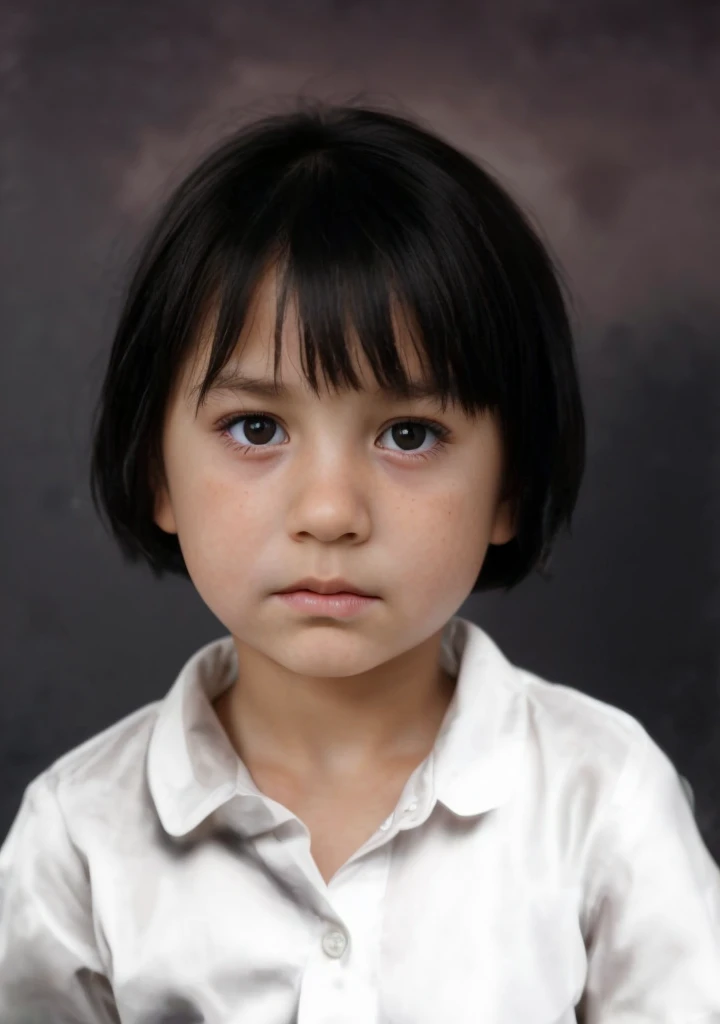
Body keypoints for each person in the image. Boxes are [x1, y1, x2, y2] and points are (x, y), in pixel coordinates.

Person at [0, 99, 718, 1024]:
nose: (331, 512)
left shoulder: (604, 800)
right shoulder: (79, 837)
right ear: (157, 472)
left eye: (409, 434)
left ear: (510, 483)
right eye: (256, 429)